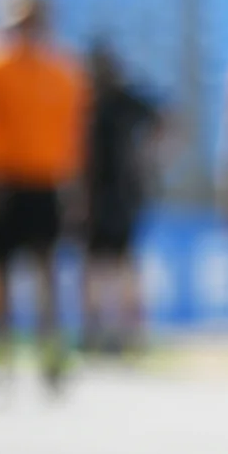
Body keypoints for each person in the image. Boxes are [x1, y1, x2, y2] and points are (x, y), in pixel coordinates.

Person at [0, 0, 87, 389]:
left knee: (46, 268)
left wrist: (73, 183)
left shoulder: (62, 68)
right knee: (0, 271)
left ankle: (50, 350)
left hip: (44, 179)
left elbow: (72, 132)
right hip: (2, 179)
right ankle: (0, 351)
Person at [81, 41, 164, 357]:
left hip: (121, 194)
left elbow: (165, 120)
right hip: (93, 193)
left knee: (122, 264)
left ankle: (130, 332)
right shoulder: (84, 98)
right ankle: (97, 331)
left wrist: (150, 156)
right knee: (95, 266)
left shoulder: (124, 99)